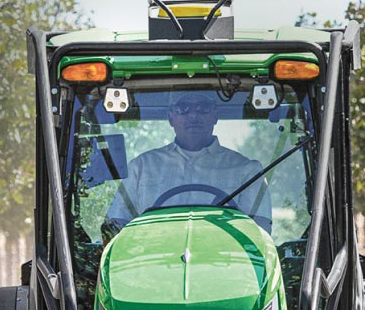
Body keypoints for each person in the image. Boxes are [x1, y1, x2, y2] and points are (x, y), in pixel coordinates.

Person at [106, 91, 272, 234]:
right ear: (171, 117)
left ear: (215, 115)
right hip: (149, 264)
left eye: (202, 107)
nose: (193, 115)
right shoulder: (141, 167)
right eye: (183, 108)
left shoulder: (247, 170)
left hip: (228, 265)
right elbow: (117, 227)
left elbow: (259, 235)